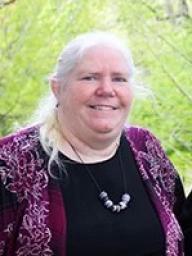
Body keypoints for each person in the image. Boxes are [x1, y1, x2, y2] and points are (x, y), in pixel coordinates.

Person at [0, 31, 188, 256]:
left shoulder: (147, 149)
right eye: (90, 77)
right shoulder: (10, 163)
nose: (107, 90)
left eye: (119, 78)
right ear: (57, 88)